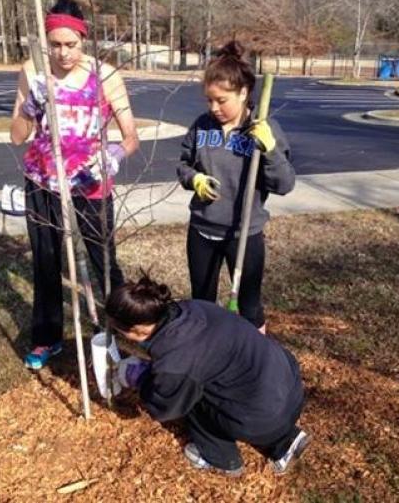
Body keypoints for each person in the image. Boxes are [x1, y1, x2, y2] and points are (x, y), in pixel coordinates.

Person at [9, 0, 139, 370]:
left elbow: (131, 137)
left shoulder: (107, 76)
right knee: (46, 263)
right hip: (43, 182)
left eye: (71, 45)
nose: (63, 53)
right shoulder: (33, 72)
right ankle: (47, 338)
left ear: (84, 40)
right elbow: (17, 136)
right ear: (45, 41)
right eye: (55, 45)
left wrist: (113, 155)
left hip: (90, 184)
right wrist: (29, 109)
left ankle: (125, 327)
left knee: (105, 261)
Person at [106, 274, 310, 476]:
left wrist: (140, 379)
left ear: (136, 330)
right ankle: (285, 442)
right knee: (221, 382)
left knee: (191, 397)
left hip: (260, 417)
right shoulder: (190, 307)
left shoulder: (176, 361)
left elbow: (166, 407)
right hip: (289, 388)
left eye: (119, 331)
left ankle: (221, 459)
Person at [177, 41, 295, 334]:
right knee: (202, 301)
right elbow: (183, 165)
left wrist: (270, 151)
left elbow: (284, 184)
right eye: (209, 100)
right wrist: (195, 180)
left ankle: (255, 361)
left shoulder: (263, 129)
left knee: (249, 306)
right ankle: (209, 355)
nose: (214, 108)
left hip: (244, 234)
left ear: (243, 93)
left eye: (222, 100)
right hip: (203, 230)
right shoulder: (202, 126)